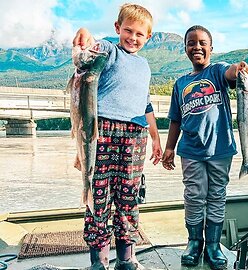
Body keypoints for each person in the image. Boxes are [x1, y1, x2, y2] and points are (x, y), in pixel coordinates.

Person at [72, 3, 162, 270]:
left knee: (128, 197)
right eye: (128, 31)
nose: (132, 38)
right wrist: (84, 32)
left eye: (139, 34)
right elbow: (91, 45)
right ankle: (98, 262)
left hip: (136, 135)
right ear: (117, 29)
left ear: (148, 37)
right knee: (98, 196)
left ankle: (126, 259)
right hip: (103, 131)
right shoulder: (110, 52)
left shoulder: (145, 66)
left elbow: (146, 106)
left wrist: (156, 138)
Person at [161, 25, 248, 270]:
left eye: (202, 43)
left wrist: (239, 69)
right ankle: (194, 242)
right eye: (191, 43)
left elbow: (232, 73)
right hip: (190, 150)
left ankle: (212, 244)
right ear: (185, 49)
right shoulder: (180, 84)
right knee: (193, 196)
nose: (197, 47)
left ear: (211, 48)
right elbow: (175, 118)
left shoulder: (218, 71)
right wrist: (169, 148)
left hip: (221, 149)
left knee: (216, 196)